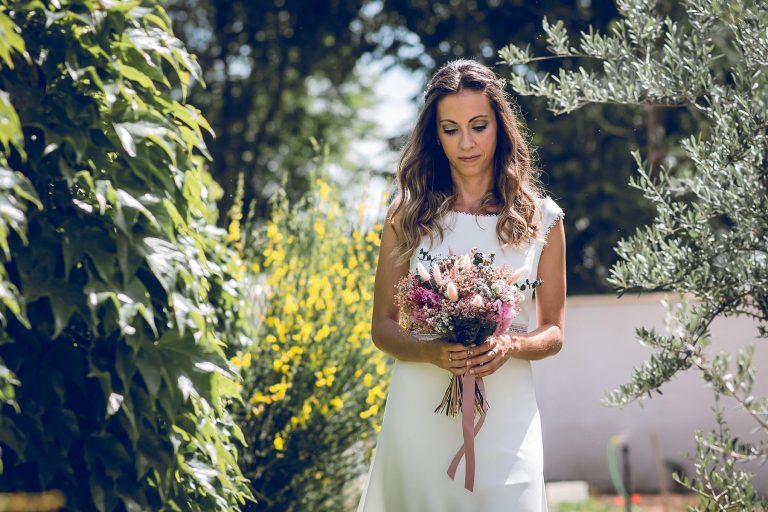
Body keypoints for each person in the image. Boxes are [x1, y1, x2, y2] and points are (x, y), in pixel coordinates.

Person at [356, 59, 566, 512]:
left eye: (478, 126)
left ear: (500, 127)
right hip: (420, 412)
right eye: (450, 129)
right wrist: (432, 351)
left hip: (508, 414)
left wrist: (509, 345)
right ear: (435, 135)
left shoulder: (542, 218)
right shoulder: (407, 215)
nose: (466, 142)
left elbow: (553, 332)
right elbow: (383, 327)